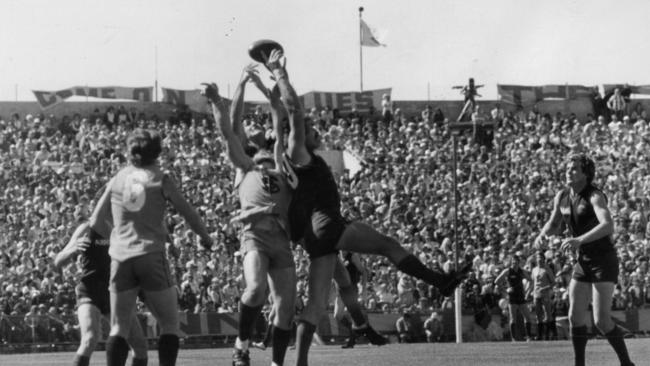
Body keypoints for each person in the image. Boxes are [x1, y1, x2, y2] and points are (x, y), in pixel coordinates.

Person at [264, 49, 468, 366]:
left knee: (315, 306)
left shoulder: (289, 155)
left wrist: (272, 95)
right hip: (326, 223)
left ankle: (300, 362)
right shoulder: (300, 151)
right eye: (312, 129)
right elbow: (293, 113)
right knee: (387, 245)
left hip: (314, 234)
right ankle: (440, 283)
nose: (316, 131)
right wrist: (279, 73)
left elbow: (281, 118)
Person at [89, 128, 214, 366]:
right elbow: (188, 213)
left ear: (130, 150)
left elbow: (95, 221)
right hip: (150, 255)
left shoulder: (118, 178)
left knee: (119, 327)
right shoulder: (161, 177)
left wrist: (117, 235)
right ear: (157, 151)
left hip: (120, 259)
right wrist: (206, 238)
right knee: (170, 325)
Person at [202, 68, 296, 366]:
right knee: (255, 289)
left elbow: (280, 120)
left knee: (285, 309)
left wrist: (268, 91)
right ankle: (241, 346)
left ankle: (277, 363)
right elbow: (229, 129)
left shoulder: (280, 164)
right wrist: (232, 90)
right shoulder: (245, 166)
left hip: (282, 238)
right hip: (255, 235)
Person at [534, 153, 635, 366]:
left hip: (603, 261)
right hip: (583, 262)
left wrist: (579, 239)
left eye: (573, 169)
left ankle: (627, 364)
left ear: (585, 174)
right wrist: (542, 235)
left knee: (601, 321)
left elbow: (608, 225)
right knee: (574, 317)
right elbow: (553, 225)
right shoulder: (562, 195)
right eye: (567, 168)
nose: (568, 172)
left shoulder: (594, 195)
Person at [54, 214, 148, 366]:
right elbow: (58, 261)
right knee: (90, 338)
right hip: (89, 290)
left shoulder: (124, 229)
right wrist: (73, 249)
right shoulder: (87, 228)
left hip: (116, 292)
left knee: (139, 345)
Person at [495, 254, 533, 342]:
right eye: (513, 262)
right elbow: (496, 281)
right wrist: (505, 289)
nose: (514, 264)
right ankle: (514, 338)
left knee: (527, 316)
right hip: (512, 297)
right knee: (513, 318)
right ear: (511, 262)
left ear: (519, 263)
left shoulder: (522, 271)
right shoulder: (507, 271)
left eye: (516, 262)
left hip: (521, 296)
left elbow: (531, 281)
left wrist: (527, 292)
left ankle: (529, 337)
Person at [531, 250, 555, 340]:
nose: (539, 260)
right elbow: (533, 283)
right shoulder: (534, 270)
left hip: (545, 294)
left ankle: (549, 335)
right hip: (536, 295)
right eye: (537, 258)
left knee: (548, 315)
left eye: (541, 258)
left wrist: (545, 288)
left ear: (543, 259)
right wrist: (530, 292)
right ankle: (540, 335)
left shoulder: (547, 269)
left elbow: (553, 283)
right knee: (538, 315)